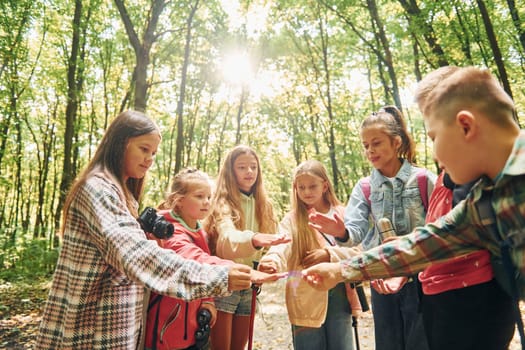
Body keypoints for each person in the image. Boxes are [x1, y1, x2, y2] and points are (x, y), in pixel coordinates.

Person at [301, 66, 525, 341]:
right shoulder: (483, 204)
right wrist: (340, 270)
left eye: (434, 137)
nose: (435, 154)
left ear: (466, 126)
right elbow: (421, 244)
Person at [36, 111, 271, 349]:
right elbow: (138, 257)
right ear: (119, 143)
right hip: (92, 328)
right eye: (143, 149)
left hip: (119, 328)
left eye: (154, 153)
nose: (149, 159)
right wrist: (220, 275)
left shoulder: (124, 195)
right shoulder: (97, 190)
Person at [310, 106, 435, 350]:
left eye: (376, 143)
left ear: (396, 142)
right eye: (366, 145)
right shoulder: (365, 187)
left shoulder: (422, 179)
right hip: (382, 282)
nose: (370, 151)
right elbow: (353, 231)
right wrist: (340, 232)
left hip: (421, 283)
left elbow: (437, 228)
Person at [146, 168, 260, 350]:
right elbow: (194, 257)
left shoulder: (200, 231)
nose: (206, 202)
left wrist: (208, 302)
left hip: (190, 327)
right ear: (179, 200)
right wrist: (231, 269)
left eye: (209, 197)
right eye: (199, 196)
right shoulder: (169, 233)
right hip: (167, 331)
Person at [258, 160, 362, 350]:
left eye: (312, 186)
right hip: (305, 294)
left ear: (325, 185)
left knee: (342, 345)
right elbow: (281, 246)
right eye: (301, 187)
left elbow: (358, 252)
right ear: (295, 189)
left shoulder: (343, 214)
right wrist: (271, 261)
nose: (307, 192)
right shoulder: (292, 220)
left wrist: (329, 254)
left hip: (339, 292)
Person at [204, 145, 290, 350]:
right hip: (225, 284)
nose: (249, 171)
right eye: (242, 167)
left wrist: (269, 261)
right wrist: (255, 239)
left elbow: (274, 244)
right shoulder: (222, 202)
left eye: (253, 167)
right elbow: (227, 238)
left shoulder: (264, 204)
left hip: (250, 287)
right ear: (230, 171)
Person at [418, 170, 515, 350]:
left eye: (436, 139)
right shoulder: (444, 177)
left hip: (475, 296)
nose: (435, 153)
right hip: (438, 294)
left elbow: (450, 234)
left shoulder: (480, 177)